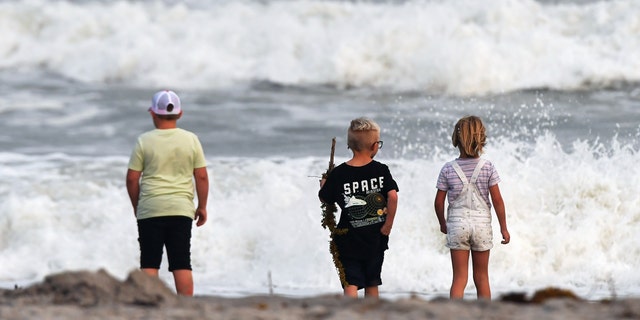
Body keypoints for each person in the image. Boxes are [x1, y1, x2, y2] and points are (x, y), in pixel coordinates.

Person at [126, 90, 209, 296]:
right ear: (180, 114)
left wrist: (138, 205)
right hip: (181, 209)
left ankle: (149, 303)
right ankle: (186, 305)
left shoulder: (144, 141)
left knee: (149, 261)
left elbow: (132, 178)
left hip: (151, 208)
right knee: (181, 261)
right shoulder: (191, 140)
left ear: (153, 114)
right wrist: (202, 206)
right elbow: (201, 177)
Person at [319, 117, 399, 298]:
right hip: (375, 236)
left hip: (347, 238)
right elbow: (393, 196)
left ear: (350, 146)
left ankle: (350, 314)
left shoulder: (338, 174)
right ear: (374, 146)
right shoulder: (381, 170)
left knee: (351, 283)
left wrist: (324, 184)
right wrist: (388, 225)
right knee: (372, 282)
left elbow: (326, 199)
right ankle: (371, 314)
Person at [434, 115, 510, 300]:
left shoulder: (448, 169)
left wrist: (443, 223)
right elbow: (498, 200)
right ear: (481, 139)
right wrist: (503, 228)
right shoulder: (488, 167)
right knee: (482, 277)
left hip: (457, 225)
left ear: (456, 139)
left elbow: (438, 201)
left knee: (459, 278)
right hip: (482, 226)